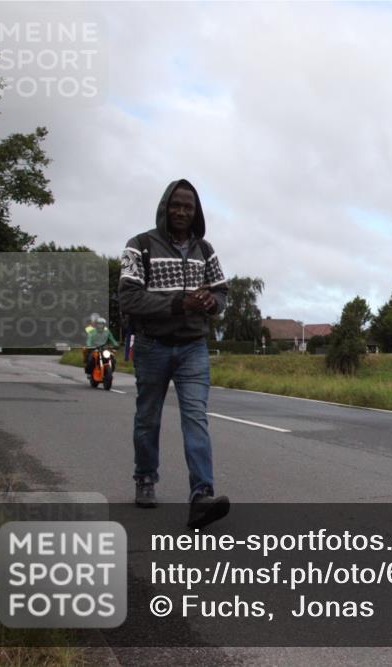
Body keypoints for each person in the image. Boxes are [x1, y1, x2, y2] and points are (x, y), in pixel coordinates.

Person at [118, 179, 230, 529]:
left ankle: (201, 496)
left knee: (195, 417)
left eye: (189, 207)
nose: (182, 212)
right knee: (148, 416)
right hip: (152, 345)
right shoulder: (139, 246)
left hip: (193, 347)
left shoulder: (204, 249)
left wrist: (212, 303)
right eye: (176, 205)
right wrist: (179, 303)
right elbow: (129, 298)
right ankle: (145, 479)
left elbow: (223, 294)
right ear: (165, 207)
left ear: (196, 212)